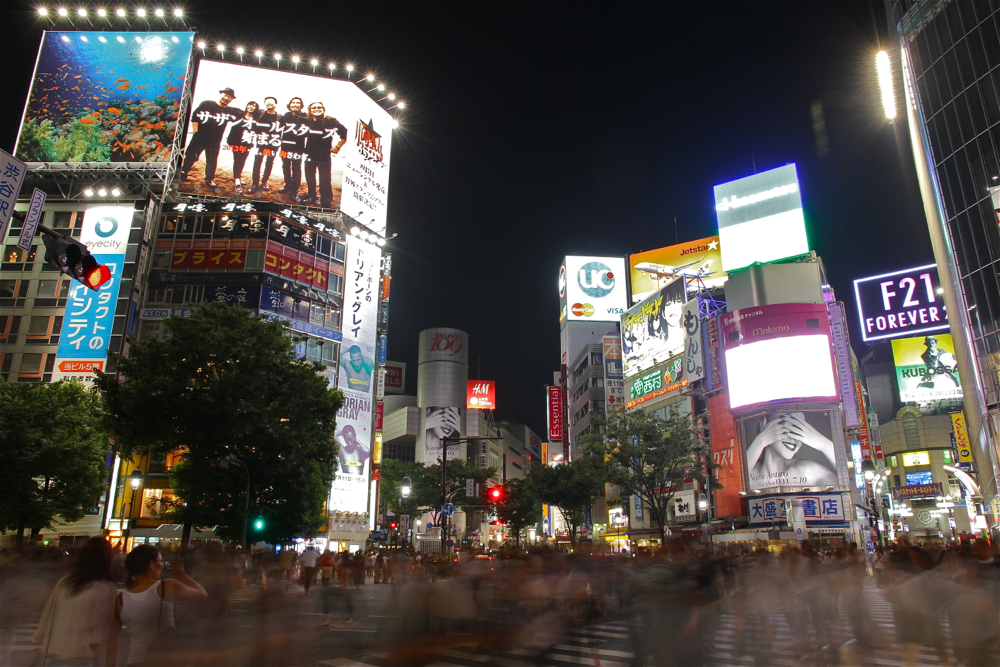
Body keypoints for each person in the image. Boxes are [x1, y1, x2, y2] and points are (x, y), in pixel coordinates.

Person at [32, 537, 119, 667]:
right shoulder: (105, 588)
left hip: (52, 651)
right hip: (79, 655)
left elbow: (49, 611)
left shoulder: (66, 581)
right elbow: (100, 629)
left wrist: (41, 636)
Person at [115, 545, 207, 666]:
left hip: (134, 661)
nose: (163, 565)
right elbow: (202, 594)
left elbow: (113, 644)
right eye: (161, 561)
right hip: (161, 660)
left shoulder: (120, 599)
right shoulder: (167, 586)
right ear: (151, 565)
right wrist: (181, 574)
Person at [745, 412, 838, 489]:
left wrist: (827, 446)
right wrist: (760, 441)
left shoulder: (809, 471)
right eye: (788, 425)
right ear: (763, 425)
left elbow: (845, 489)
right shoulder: (749, 474)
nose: (795, 438)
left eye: (800, 430)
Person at [180, 87, 240, 188]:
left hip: (215, 140)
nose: (226, 98)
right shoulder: (206, 104)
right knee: (191, 156)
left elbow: (244, 115)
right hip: (200, 136)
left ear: (231, 99)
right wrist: (195, 131)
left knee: (212, 160)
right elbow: (195, 117)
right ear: (221, 94)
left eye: (229, 97)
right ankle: (184, 172)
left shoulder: (230, 111)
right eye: (225, 95)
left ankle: (209, 179)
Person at [300, 101, 347, 208]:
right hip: (309, 154)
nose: (317, 109)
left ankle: (326, 201)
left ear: (323, 109)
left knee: (325, 179)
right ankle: (312, 196)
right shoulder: (307, 121)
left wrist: (338, 146)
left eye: (319, 107)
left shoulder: (331, 121)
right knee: (310, 177)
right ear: (310, 111)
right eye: (314, 108)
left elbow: (345, 133)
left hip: (324, 155)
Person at [248, 97, 281, 194]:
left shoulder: (280, 117)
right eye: (267, 102)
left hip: (273, 143)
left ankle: (264, 182)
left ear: (275, 104)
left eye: (271, 102)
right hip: (261, 141)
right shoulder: (260, 113)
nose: (269, 103)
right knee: (257, 162)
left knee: (269, 163)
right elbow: (247, 112)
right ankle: (255, 184)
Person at [225, 101, 259, 193]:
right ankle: (236, 180)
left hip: (247, 143)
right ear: (246, 106)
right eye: (249, 105)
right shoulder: (240, 115)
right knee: (237, 159)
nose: (251, 107)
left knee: (242, 160)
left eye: (253, 106)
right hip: (236, 142)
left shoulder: (256, 119)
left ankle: (238, 177)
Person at [277, 97, 307, 200]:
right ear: (289, 105)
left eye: (298, 103)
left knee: (296, 168)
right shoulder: (285, 116)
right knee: (285, 166)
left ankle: (294, 190)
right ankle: (287, 186)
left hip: (298, 147)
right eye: (293, 102)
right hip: (285, 146)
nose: (295, 104)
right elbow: (277, 128)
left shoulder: (305, 116)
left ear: (301, 106)